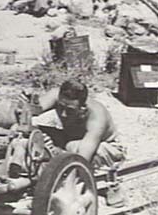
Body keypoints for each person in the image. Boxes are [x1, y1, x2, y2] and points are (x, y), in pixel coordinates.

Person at [33, 79, 126, 207]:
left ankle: (112, 184)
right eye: (60, 107)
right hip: (70, 139)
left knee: (73, 149)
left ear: (83, 108)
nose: (63, 114)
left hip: (105, 147)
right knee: (36, 133)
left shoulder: (97, 116)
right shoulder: (56, 94)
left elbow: (81, 158)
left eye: (70, 110)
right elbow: (32, 110)